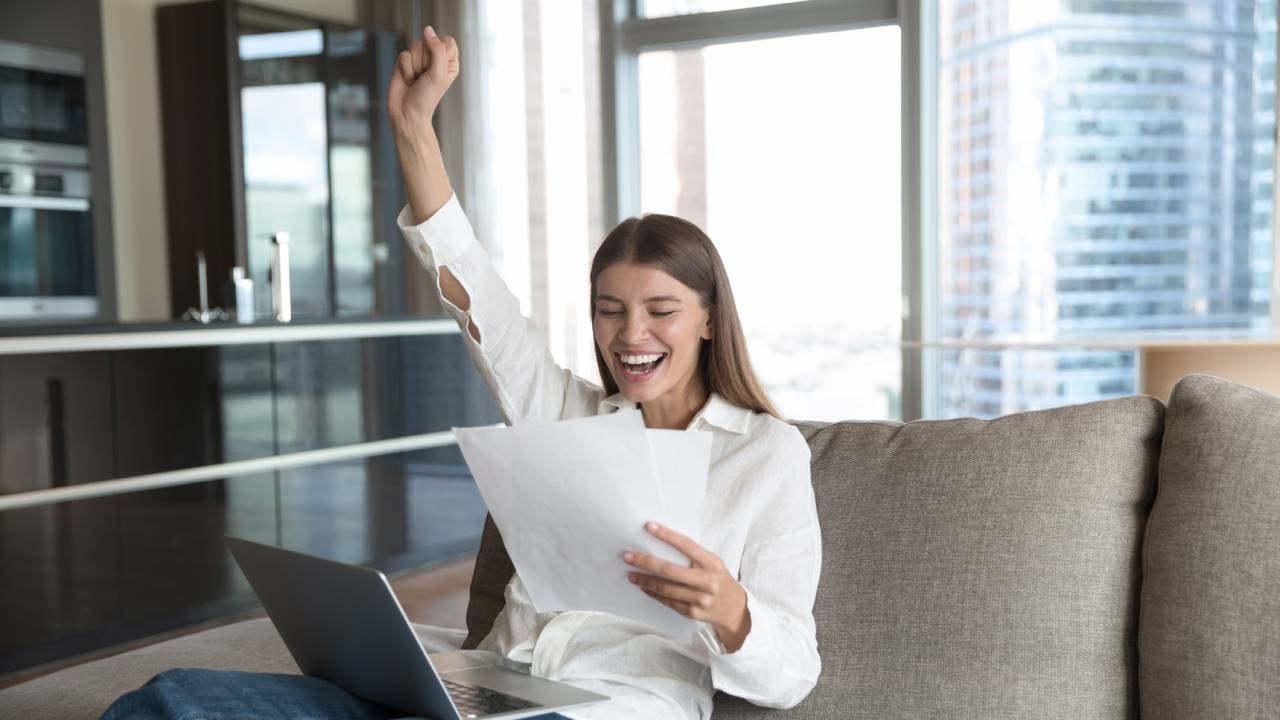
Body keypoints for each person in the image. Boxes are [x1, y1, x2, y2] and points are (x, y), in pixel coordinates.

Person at [101, 24, 819, 720]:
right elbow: (478, 294)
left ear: (710, 317)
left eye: (661, 310)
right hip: (488, 687)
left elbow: (793, 674)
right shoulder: (565, 417)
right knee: (168, 697)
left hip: (621, 705)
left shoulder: (765, 454)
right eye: (609, 310)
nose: (631, 335)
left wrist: (731, 612)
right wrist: (414, 125)